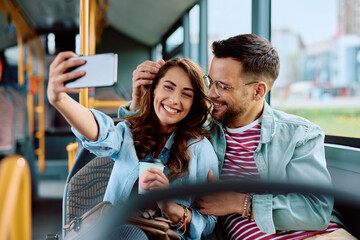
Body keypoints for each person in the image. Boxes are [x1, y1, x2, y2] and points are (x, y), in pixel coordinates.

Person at [119, 34, 356, 239]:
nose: (211, 94)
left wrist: (239, 203)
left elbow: (316, 211)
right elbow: (141, 140)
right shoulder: (199, 132)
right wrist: (139, 98)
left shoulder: (300, 135)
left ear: (258, 91)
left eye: (223, 86)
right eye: (210, 82)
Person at [47, 52, 219, 240]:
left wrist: (169, 206)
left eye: (186, 94)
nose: (175, 100)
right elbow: (101, 133)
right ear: (154, 90)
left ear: (193, 103)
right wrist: (60, 100)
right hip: (115, 229)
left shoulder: (200, 148)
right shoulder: (130, 133)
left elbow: (208, 224)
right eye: (168, 87)